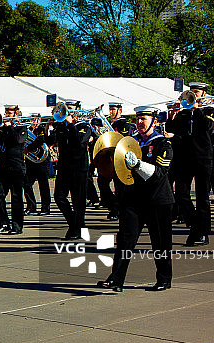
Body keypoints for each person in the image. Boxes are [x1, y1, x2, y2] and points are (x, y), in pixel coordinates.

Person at [97, 106, 174, 292]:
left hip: (158, 200)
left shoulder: (163, 144)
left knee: (161, 242)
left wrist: (138, 164)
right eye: (138, 119)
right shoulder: (129, 143)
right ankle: (116, 279)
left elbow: (159, 173)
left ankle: (164, 279)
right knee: (125, 239)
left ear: (154, 122)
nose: (140, 122)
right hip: (134, 199)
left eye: (144, 119)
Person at [169, 82, 214, 246]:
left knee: (203, 197)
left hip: (203, 158)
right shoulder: (183, 114)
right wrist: (171, 116)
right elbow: (173, 132)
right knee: (181, 194)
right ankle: (197, 226)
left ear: (203, 95)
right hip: (184, 159)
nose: (192, 95)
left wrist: (196, 109)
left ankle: (202, 233)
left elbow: (207, 127)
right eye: (191, 92)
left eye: (196, 92)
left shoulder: (208, 112)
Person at [46, 99, 93, 240]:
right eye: (65, 109)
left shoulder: (84, 126)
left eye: (70, 109)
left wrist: (71, 124)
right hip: (64, 167)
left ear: (76, 111)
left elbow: (80, 140)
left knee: (78, 201)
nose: (67, 112)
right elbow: (50, 142)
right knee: (59, 197)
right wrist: (48, 128)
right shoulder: (61, 126)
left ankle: (77, 229)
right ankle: (75, 225)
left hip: (79, 167)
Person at [0, 104, 27, 234]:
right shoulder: (1, 129)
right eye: (6, 113)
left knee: (16, 197)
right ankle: (3, 223)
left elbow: (18, 140)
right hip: (3, 166)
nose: (6, 115)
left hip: (17, 167)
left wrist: (10, 128)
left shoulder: (21, 128)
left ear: (16, 114)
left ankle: (17, 226)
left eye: (9, 113)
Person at [24, 121, 52, 216]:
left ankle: (45, 207)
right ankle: (31, 206)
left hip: (43, 159)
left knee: (43, 184)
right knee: (27, 183)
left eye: (33, 119)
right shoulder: (24, 129)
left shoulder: (42, 129)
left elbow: (42, 139)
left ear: (38, 120)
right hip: (31, 161)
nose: (31, 122)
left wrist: (29, 148)